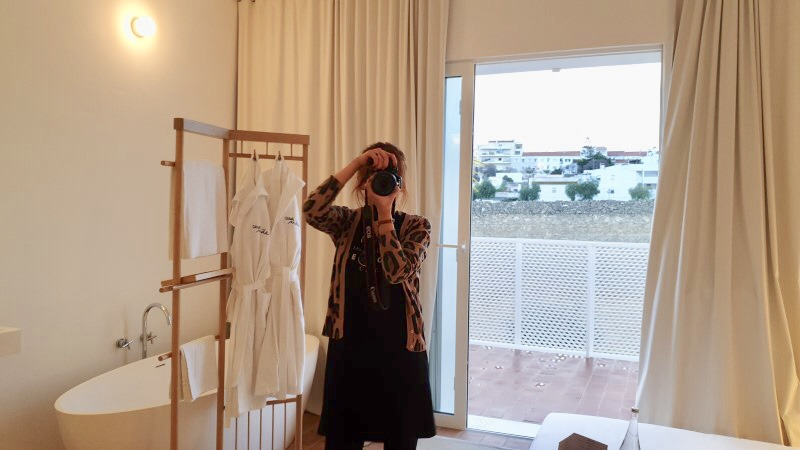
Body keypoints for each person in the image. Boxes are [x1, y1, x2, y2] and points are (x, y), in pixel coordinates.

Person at [303, 142, 436, 450]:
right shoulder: (347, 222)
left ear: (400, 183)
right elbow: (311, 210)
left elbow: (397, 272)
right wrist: (355, 164)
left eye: (390, 175)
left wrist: (385, 215)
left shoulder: (417, 226)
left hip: (401, 348)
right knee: (343, 439)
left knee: (400, 438)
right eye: (374, 175)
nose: (382, 181)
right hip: (351, 346)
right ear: (363, 182)